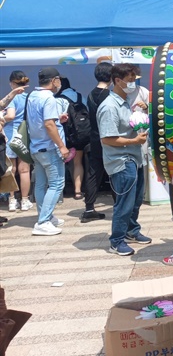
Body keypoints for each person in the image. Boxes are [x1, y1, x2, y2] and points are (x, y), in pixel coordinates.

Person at [97, 63, 150, 256]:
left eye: (135, 80)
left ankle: (131, 230)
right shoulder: (109, 107)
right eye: (130, 80)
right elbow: (107, 138)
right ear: (117, 81)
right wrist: (134, 140)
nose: (133, 84)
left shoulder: (126, 101)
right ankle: (116, 241)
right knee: (124, 202)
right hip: (121, 160)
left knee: (135, 200)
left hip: (135, 156)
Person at [27, 67, 70, 236]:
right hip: (49, 147)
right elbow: (48, 125)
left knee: (40, 184)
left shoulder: (33, 95)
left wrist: (57, 119)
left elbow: (41, 120)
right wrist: (61, 146)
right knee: (57, 183)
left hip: (36, 146)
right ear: (54, 80)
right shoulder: (49, 98)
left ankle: (46, 216)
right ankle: (43, 221)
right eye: (58, 79)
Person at [82, 61, 113, 223]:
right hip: (109, 139)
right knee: (115, 172)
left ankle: (89, 208)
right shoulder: (110, 96)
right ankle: (120, 204)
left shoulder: (91, 94)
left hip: (94, 138)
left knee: (93, 174)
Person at [1, 71, 33, 213]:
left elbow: (11, 116)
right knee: (25, 169)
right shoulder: (29, 98)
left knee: (11, 170)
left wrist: (2, 116)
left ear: (12, 83)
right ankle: (25, 200)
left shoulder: (13, 98)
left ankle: (12, 200)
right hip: (24, 135)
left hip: (10, 134)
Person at [55, 77, 86, 201]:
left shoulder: (57, 99)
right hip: (79, 134)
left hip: (64, 135)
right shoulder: (79, 96)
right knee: (77, 162)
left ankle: (59, 192)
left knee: (59, 163)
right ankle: (77, 191)